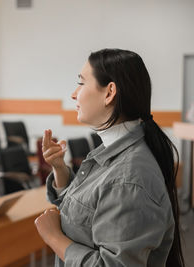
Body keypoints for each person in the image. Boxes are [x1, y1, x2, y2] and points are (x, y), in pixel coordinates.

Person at [35, 48, 185, 267]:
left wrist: (53, 238)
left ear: (109, 93)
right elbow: (87, 211)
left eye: (81, 83)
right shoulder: (115, 153)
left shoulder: (128, 178)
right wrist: (59, 168)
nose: (74, 94)